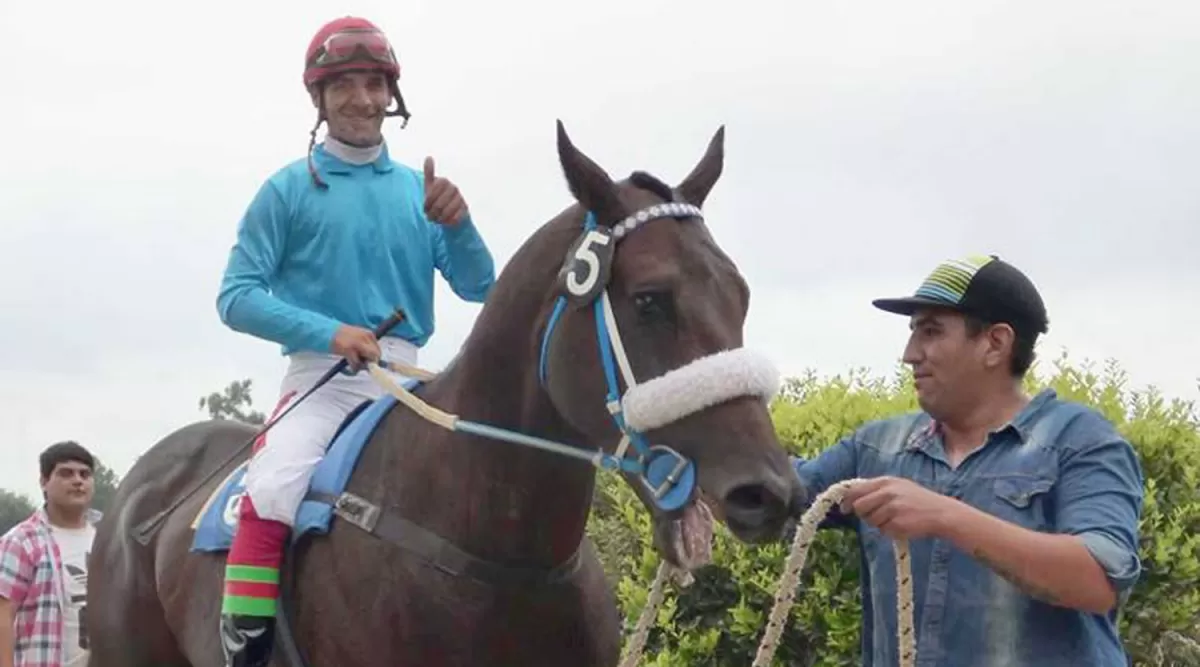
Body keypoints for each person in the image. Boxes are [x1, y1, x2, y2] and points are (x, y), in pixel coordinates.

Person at [213, 15, 496, 667]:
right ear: (318, 96)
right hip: (323, 380)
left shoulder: (418, 191)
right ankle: (247, 646)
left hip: (410, 380)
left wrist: (459, 226)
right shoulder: (285, 190)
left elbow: (481, 285)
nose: (363, 99)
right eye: (344, 84)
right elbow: (235, 296)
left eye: (374, 84)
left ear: (392, 95)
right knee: (274, 484)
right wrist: (329, 331)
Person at [790, 254, 1144, 666]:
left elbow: (1098, 581)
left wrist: (945, 516)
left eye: (931, 331)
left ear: (995, 344)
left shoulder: (1081, 442)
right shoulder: (876, 447)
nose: (910, 354)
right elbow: (771, 495)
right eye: (912, 333)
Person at [0, 441, 103, 667]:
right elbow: (3, 614)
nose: (78, 481)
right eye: (66, 473)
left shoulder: (108, 536)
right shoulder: (22, 541)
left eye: (85, 474)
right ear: (44, 482)